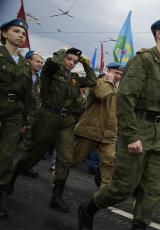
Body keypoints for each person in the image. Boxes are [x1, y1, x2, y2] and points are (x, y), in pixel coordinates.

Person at [77, 18, 160, 230]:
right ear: (158, 34)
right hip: (138, 131)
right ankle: (89, 208)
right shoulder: (143, 60)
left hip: (157, 138)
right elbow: (125, 98)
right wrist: (131, 135)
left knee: (153, 191)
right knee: (123, 187)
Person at [9, 46, 96, 213]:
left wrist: (85, 63)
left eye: (75, 61)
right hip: (47, 116)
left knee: (65, 158)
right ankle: (12, 177)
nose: (71, 63)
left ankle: (56, 197)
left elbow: (92, 81)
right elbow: (51, 63)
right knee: (34, 154)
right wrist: (62, 52)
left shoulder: (75, 79)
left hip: (66, 121)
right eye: (69, 59)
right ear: (63, 58)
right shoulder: (50, 72)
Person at [71, 62, 123, 188]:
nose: (118, 76)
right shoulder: (98, 82)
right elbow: (100, 94)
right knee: (74, 158)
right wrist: (109, 82)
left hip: (108, 133)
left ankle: (104, 192)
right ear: (107, 70)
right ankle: (58, 177)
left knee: (109, 161)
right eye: (116, 73)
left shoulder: (117, 88)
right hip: (90, 130)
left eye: (121, 74)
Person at [0, 19, 32, 219]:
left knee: (6, 155)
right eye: (16, 31)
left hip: (15, 112)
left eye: (23, 32)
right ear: (4, 33)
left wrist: (25, 121)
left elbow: (27, 94)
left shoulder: (24, 63)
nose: (21, 35)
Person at [21, 50, 44, 178]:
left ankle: (24, 166)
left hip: (32, 116)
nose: (40, 64)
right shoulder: (21, 74)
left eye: (41, 62)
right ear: (28, 61)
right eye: (37, 61)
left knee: (29, 143)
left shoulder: (40, 79)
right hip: (17, 113)